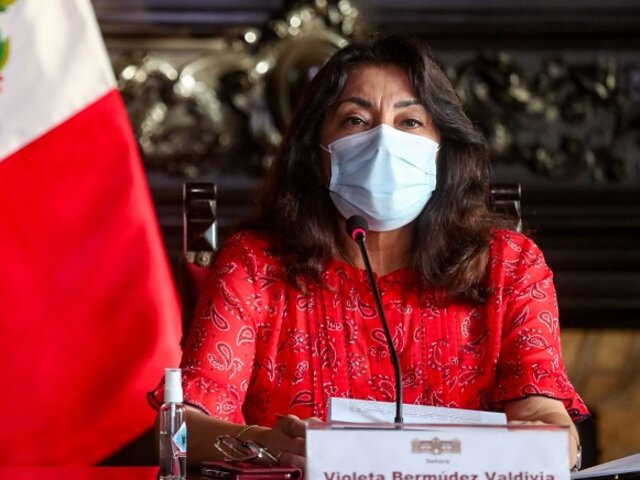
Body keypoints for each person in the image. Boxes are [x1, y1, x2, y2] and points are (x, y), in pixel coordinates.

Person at [149, 33, 588, 470]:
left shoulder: (509, 266)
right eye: (356, 120)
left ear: (443, 149)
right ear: (316, 151)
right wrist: (266, 443)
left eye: (410, 122)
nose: (383, 143)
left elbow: (545, 421)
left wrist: (550, 441)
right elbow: (182, 427)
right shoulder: (255, 264)